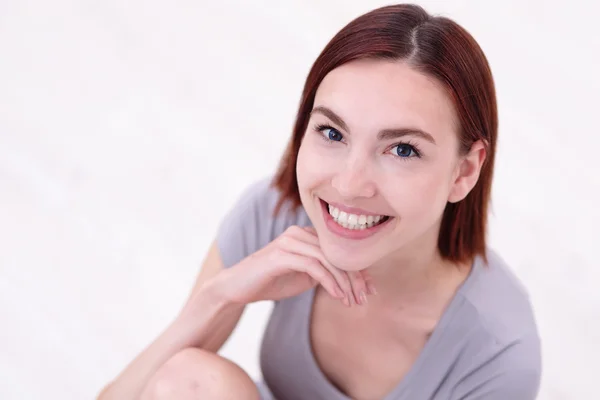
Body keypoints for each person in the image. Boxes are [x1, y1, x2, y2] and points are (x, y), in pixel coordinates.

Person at [98, 3, 541, 400]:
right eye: (332, 133)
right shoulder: (276, 217)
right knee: (191, 382)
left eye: (403, 149)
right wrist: (223, 295)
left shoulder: (496, 352)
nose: (349, 185)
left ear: (464, 172)